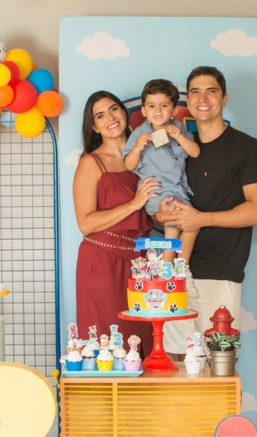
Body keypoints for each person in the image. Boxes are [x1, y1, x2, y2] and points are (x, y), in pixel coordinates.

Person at [155, 66, 257, 358]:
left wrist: (201, 219)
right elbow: (159, 206)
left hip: (220, 276)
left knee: (219, 370)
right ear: (188, 101)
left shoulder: (248, 148)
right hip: (174, 277)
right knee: (176, 366)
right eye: (195, 91)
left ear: (224, 99)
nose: (203, 98)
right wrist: (160, 215)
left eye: (211, 90)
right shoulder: (175, 148)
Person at [73, 90, 160, 357]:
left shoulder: (148, 155)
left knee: (144, 342)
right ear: (94, 126)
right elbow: (85, 223)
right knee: (108, 343)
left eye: (113, 109)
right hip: (102, 261)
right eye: (100, 115)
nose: (110, 118)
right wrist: (133, 203)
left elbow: (154, 211)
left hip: (141, 262)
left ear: (124, 112)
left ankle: (141, 401)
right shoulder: (91, 163)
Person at [122, 79, 201, 297]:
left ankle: (180, 270)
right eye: (151, 106)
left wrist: (180, 138)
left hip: (178, 189)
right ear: (144, 111)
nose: (158, 110)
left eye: (164, 105)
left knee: (193, 223)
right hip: (156, 191)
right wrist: (137, 148)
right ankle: (168, 272)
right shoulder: (139, 133)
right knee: (174, 219)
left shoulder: (180, 128)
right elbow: (128, 165)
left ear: (174, 110)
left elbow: (194, 152)